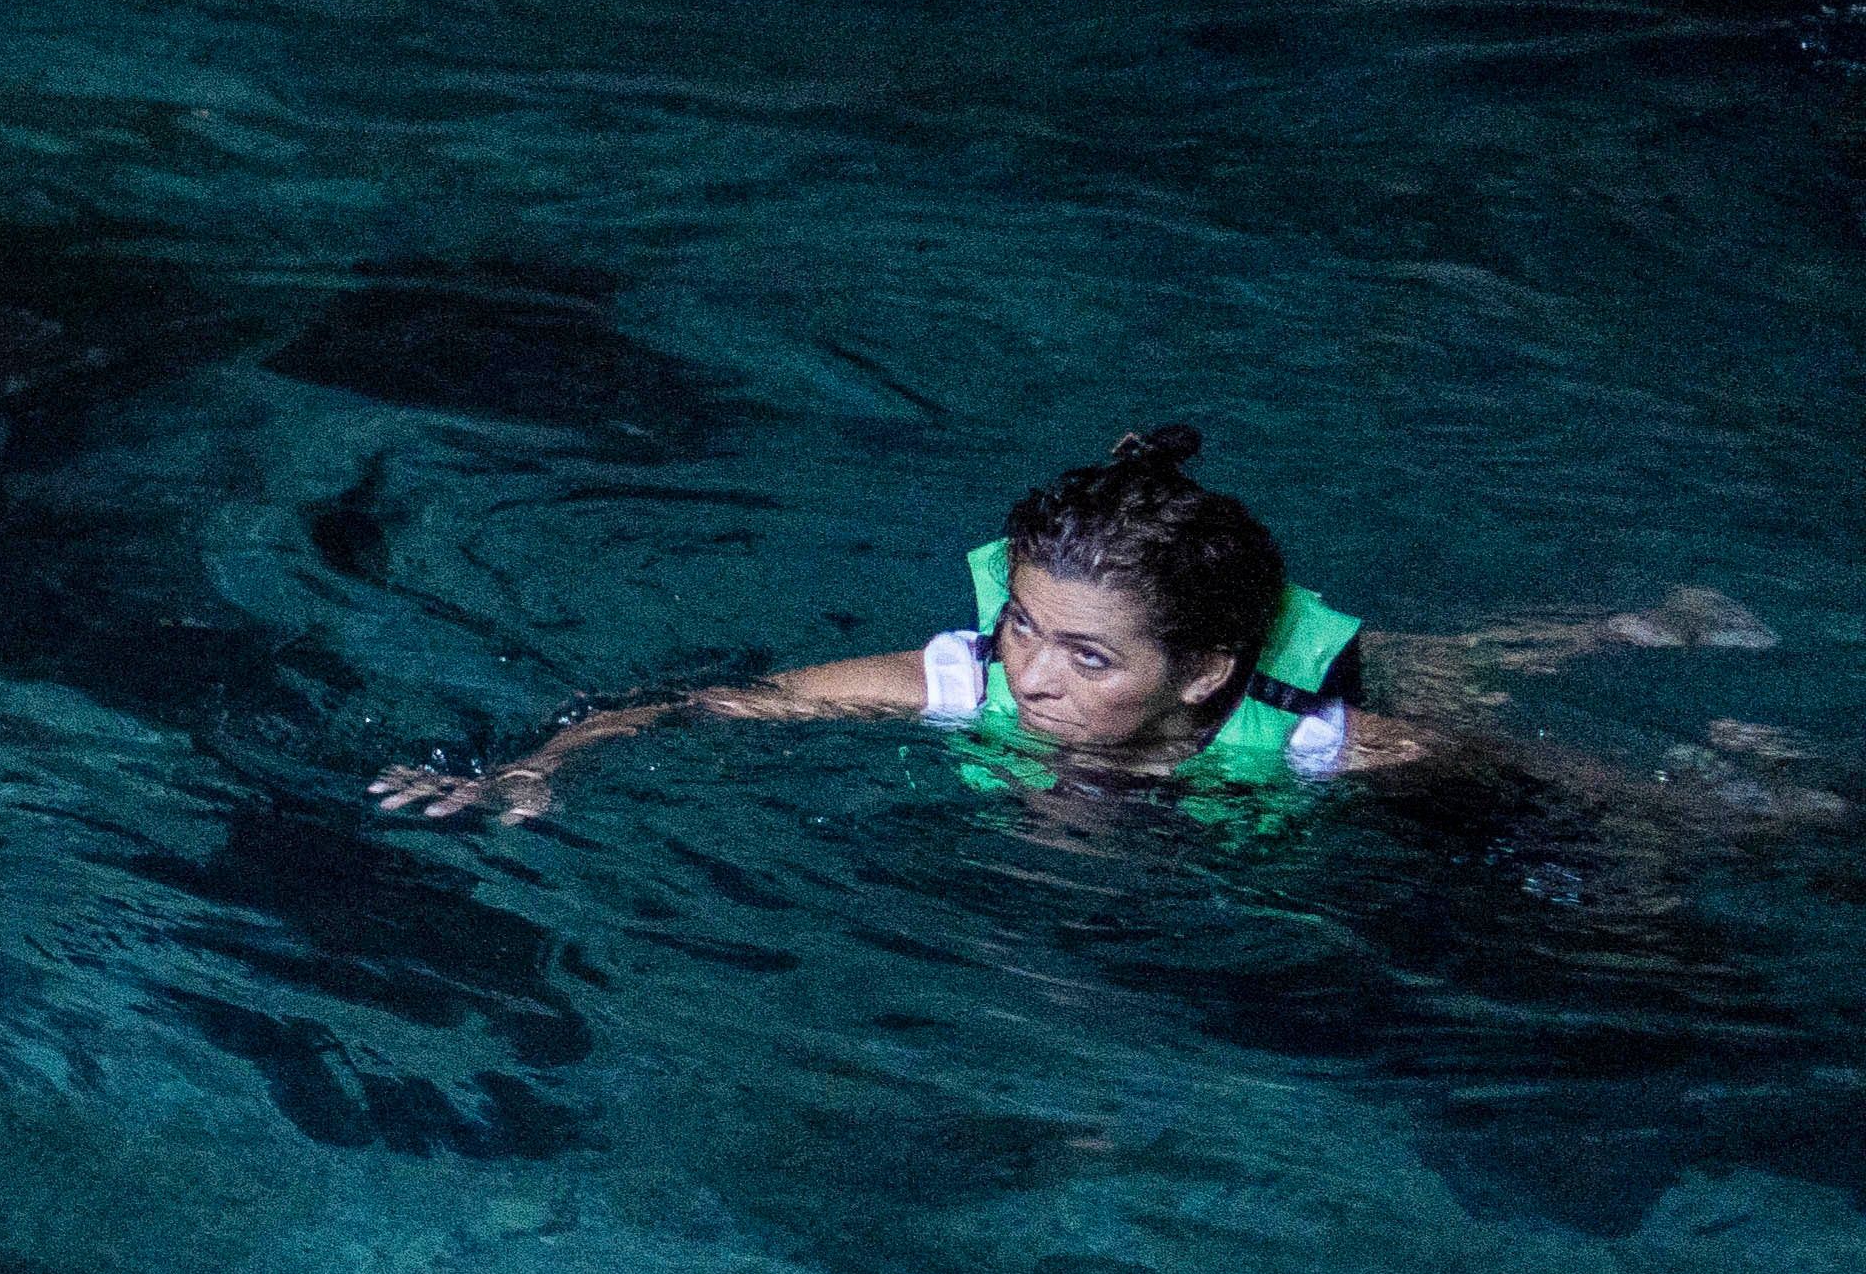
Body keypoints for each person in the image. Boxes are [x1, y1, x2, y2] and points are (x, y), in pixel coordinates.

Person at [360, 424, 1799, 823]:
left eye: (1087, 657)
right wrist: (540, 763)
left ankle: (1640, 628)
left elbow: (1531, 770)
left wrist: (1712, 814)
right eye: (1028, 631)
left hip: (1292, 679)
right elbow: (707, 704)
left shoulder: (1305, 745)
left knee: (1424, 669)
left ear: (1204, 677)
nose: (1030, 680)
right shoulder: (967, 678)